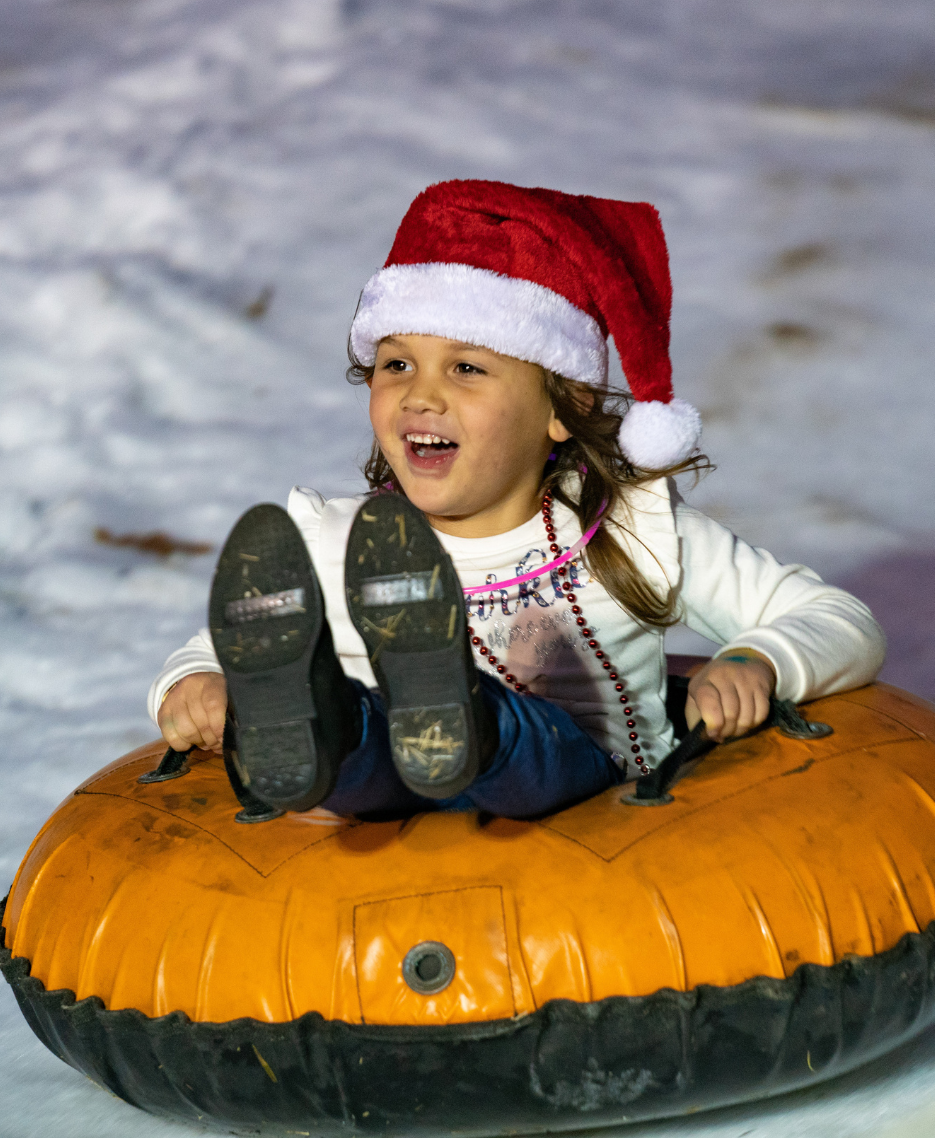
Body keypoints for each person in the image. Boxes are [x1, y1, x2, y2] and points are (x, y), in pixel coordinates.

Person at [149, 179, 884, 820]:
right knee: (356, 746)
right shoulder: (336, 543)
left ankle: (465, 716)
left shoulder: (625, 530)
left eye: (467, 367)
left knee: (530, 744)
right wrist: (197, 687)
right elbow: (219, 649)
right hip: (389, 809)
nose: (420, 393)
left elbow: (837, 619)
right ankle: (328, 727)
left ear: (560, 408)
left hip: (583, 794)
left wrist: (758, 660)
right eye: (395, 362)